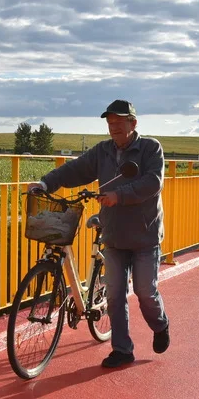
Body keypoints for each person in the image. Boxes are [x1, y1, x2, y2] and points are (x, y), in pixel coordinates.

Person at [28, 99, 169, 369]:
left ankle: (160, 324)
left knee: (145, 291)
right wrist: (47, 183)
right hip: (114, 234)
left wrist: (120, 195)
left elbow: (153, 183)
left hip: (144, 236)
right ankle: (122, 349)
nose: (114, 127)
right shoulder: (103, 151)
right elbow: (77, 169)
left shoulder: (150, 148)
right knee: (114, 295)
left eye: (119, 122)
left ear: (133, 123)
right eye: (110, 122)